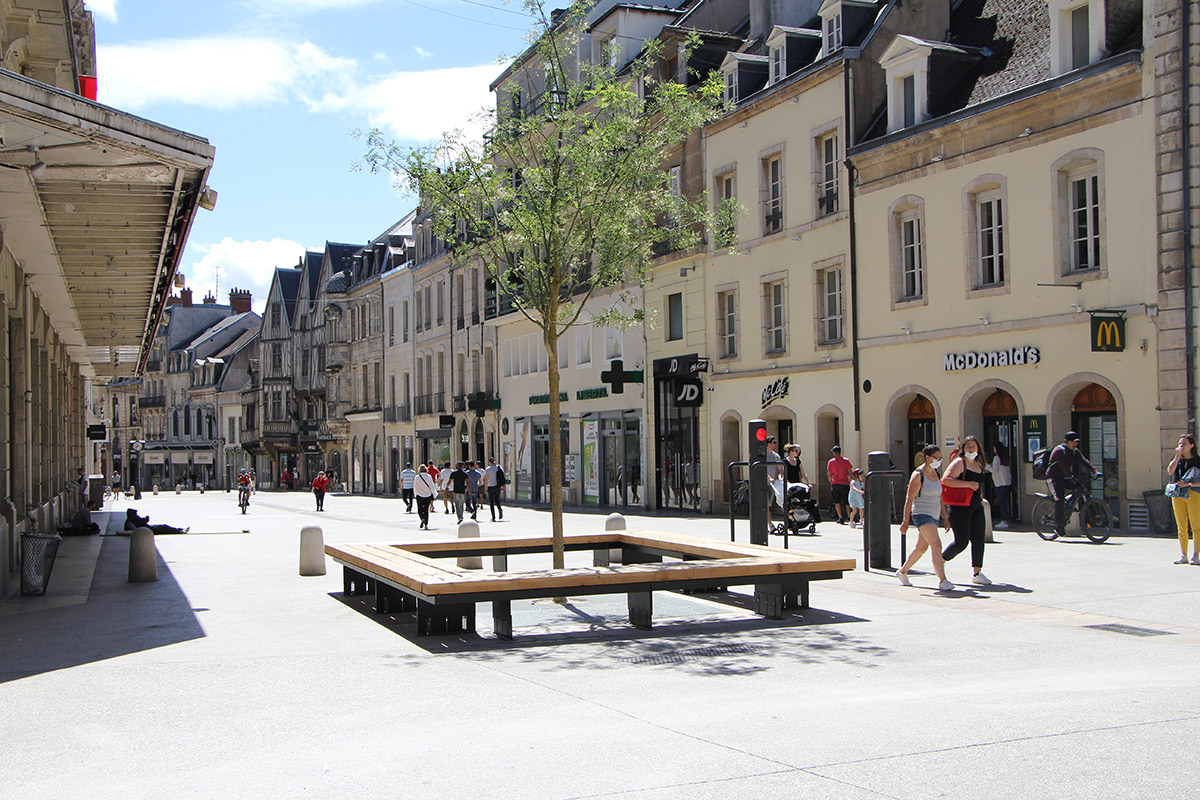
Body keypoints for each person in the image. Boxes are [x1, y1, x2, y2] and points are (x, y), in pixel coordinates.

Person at [896, 444, 953, 591]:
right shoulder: (918, 475)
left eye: (941, 458)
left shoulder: (936, 473)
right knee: (936, 544)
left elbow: (940, 498)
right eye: (937, 458)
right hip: (921, 514)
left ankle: (902, 572)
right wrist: (905, 522)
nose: (939, 461)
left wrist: (945, 517)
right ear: (927, 458)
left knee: (921, 548)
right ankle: (943, 580)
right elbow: (909, 499)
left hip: (933, 515)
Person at [941, 434, 991, 585]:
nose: (971, 448)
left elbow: (978, 485)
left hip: (976, 506)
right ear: (963, 448)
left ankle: (977, 572)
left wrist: (980, 498)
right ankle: (940, 560)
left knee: (978, 539)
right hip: (960, 508)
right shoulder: (959, 462)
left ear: (978, 448)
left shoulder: (979, 463)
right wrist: (967, 484)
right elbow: (946, 480)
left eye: (973, 446)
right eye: (968, 446)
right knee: (961, 542)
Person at [1047, 431, 1097, 539]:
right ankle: (1058, 525)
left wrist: (1095, 471)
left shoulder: (1075, 451)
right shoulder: (1059, 451)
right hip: (1054, 478)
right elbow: (1063, 467)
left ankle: (1073, 508)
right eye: (1073, 442)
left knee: (1080, 488)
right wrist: (1071, 476)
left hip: (1065, 477)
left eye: (1076, 442)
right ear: (1067, 441)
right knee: (1059, 499)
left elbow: (1084, 461)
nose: (1075, 444)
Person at [1167, 434, 1200, 564]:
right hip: (1178, 494)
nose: (1181, 446)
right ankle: (1183, 554)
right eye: (1180, 443)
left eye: (1184, 444)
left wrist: (1190, 484)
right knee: (1181, 526)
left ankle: (1196, 555)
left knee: (1196, 526)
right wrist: (1177, 456)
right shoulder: (1178, 459)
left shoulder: (1197, 461)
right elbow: (1170, 471)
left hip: (1194, 493)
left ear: (1191, 446)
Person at [826, 445, 853, 524]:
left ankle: (840, 517)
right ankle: (849, 516)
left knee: (837, 501)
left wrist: (831, 482)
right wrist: (850, 481)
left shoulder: (831, 462)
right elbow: (850, 473)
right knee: (847, 501)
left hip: (836, 483)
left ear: (834, 453)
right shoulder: (846, 460)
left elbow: (829, 474)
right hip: (845, 483)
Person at [990, 444, 1013, 529]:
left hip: (999, 483)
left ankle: (1004, 520)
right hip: (1006, 482)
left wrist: (987, 467)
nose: (993, 450)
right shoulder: (1005, 458)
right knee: (1004, 501)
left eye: (994, 448)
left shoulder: (996, 458)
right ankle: (1005, 518)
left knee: (1001, 502)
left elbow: (994, 469)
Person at [764, 435, 784, 528]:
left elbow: (780, 469)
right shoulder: (763, 456)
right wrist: (769, 477)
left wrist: (781, 476)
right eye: (774, 443)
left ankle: (768, 524)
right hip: (762, 484)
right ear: (768, 444)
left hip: (771, 485)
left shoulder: (775, 456)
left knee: (768, 505)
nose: (776, 444)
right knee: (766, 505)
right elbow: (762, 469)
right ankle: (769, 524)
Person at [414, 464, 438, 530]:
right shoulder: (429, 476)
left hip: (419, 495)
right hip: (428, 495)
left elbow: (415, 487)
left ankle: (422, 518)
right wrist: (434, 495)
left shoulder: (417, 477)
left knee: (420, 510)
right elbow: (432, 486)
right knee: (426, 510)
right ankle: (426, 525)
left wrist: (415, 495)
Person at [483, 456, 505, 521]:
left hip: (490, 486)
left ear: (489, 462)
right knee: (497, 500)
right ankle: (499, 509)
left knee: (491, 502)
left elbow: (486, 479)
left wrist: (485, 488)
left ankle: (493, 517)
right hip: (497, 486)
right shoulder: (498, 468)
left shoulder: (488, 469)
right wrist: (502, 486)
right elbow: (501, 477)